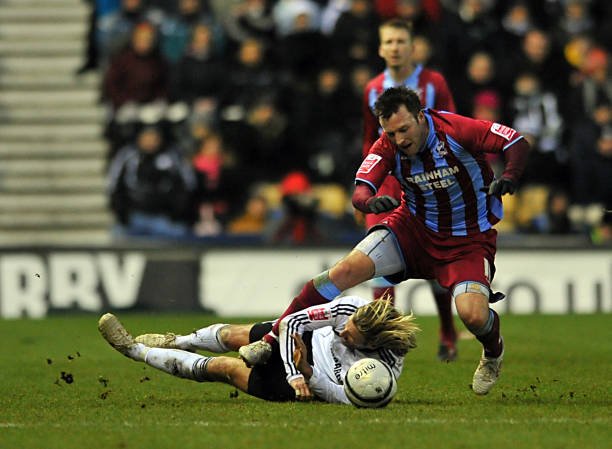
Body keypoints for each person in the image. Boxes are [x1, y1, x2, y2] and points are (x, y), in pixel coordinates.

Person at [239, 86, 530, 396]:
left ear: (421, 116)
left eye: (404, 129)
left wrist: (511, 174)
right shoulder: (387, 146)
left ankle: (493, 351)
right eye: (391, 133)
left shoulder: (455, 129)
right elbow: (361, 190)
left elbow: (515, 141)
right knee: (341, 272)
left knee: (473, 315)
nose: (400, 139)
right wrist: (369, 203)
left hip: (468, 239)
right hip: (412, 231)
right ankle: (270, 340)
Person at [98, 296, 419, 403]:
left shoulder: (385, 372)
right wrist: (295, 367)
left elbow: (342, 395)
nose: (344, 334)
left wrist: (306, 374)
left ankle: (132, 350)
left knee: (224, 368)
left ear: (373, 344)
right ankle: (177, 341)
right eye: (344, 329)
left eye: (350, 338)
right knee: (235, 333)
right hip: (302, 342)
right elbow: (293, 321)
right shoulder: (351, 308)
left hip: (310, 382)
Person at [362, 18, 458, 362]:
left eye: (401, 40)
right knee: (379, 257)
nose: (395, 47)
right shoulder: (373, 88)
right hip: (388, 182)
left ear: (412, 46)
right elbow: (369, 141)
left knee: (435, 261)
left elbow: (453, 129)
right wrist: (366, 184)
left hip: (429, 182)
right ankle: (383, 341)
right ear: (380, 48)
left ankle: (447, 330)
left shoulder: (434, 84)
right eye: (389, 41)